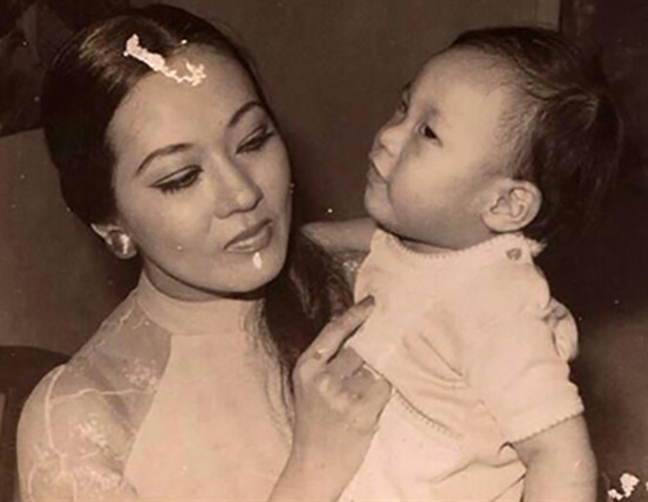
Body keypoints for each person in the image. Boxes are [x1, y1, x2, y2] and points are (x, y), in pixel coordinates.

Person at [16, 5, 392, 501]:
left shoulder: (373, 267)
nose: (243, 194)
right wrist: (313, 469)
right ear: (112, 224)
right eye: (181, 178)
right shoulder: (80, 422)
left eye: (253, 141)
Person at [308, 27, 624, 501]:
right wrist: (301, 242)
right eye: (403, 106)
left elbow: (559, 452)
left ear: (505, 204)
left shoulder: (498, 309)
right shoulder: (424, 239)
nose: (388, 135)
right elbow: (363, 240)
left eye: (427, 132)